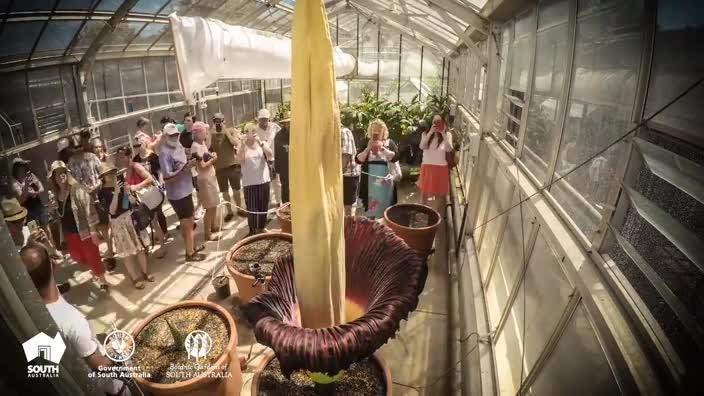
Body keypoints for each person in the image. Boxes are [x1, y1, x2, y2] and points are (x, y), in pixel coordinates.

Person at [20, 242, 130, 395]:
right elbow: (99, 366)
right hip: (101, 385)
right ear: (53, 265)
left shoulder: (27, 309)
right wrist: (116, 352)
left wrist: (79, 279)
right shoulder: (71, 321)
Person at [48, 160, 109, 291]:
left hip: (84, 231)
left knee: (93, 255)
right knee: (78, 257)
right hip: (70, 234)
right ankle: (95, 271)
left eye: (63, 172)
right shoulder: (56, 195)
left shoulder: (77, 189)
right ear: (53, 178)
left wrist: (93, 231)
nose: (61, 176)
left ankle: (103, 281)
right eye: (57, 174)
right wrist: (53, 210)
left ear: (67, 173)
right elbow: (60, 217)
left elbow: (89, 208)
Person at [3, 196, 71, 294]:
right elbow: (15, 268)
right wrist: (29, 246)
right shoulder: (5, 243)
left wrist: (45, 243)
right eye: (16, 221)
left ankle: (50, 287)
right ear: (6, 224)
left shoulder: (27, 230)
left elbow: (49, 254)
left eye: (22, 218)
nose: (21, 223)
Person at [159, 123, 205, 262]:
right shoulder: (164, 153)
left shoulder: (178, 145)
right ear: (165, 136)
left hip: (186, 189)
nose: (174, 137)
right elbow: (167, 177)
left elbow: (182, 160)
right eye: (171, 135)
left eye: (176, 134)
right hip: (177, 194)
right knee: (186, 222)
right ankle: (189, 253)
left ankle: (191, 246)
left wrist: (190, 160)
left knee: (190, 220)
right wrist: (184, 169)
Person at [114, 146, 167, 258]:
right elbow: (127, 190)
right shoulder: (123, 172)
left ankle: (163, 247)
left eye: (122, 156)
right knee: (142, 226)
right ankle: (146, 249)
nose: (120, 159)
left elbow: (150, 179)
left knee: (154, 223)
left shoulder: (135, 166)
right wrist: (124, 205)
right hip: (136, 203)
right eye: (118, 157)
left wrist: (136, 187)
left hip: (146, 200)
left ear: (129, 156)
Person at [107, 164, 154, 289]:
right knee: (128, 253)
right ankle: (134, 278)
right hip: (118, 224)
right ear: (103, 177)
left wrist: (127, 193)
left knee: (140, 249)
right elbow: (112, 211)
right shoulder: (102, 192)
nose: (112, 176)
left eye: (113, 173)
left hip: (130, 219)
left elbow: (128, 204)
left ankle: (145, 273)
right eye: (108, 174)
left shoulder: (122, 186)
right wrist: (116, 194)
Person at [356, 119, 401, 219]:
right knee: (370, 211)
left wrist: (382, 149)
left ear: (383, 132)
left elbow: (396, 157)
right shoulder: (366, 142)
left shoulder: (389, 143)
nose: (375, 133)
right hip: (369, 183)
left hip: (386, 182)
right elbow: (358, 160)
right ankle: (372, 231)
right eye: (373, 131)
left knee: (386, 212)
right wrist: (368, 148)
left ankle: (384, 231)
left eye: (378, 131)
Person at [238, 123, 272, 236]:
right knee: (252, 208)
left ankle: (261, 228)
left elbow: (270, 154)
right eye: (247, 131)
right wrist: (242, 144)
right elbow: (240, 160)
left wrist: (260, 143)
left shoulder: (262, 143)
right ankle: (252, 231)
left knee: (263, 206)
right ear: (244, 133)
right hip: (250, 182)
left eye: (253, 130)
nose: (250, 133)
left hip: (263, 180)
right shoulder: (242, 145)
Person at [133, 134, 169, 239]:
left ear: (144, 144)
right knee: (150, 213)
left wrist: (162, 185)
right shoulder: (135, 159)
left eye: (139, 144)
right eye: (135, 146)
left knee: (159, 211)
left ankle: (164, 232)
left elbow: (160, 171)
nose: (137, 147)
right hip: (144, 189)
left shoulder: (153, 156)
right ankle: (159, 234)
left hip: (154, 186)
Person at [210, 112, 244, 221]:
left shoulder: (230, 130)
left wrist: (226, 131)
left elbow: (235, 143)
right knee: (224, 191)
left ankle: (239, 209)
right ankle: (229, 211)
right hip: (220, 168)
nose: (218, 123)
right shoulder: (211, 134)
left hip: (232, 165)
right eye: (216, 120)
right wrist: (211, 132)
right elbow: (207, 147)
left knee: (236, 190)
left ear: (224, 120)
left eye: (220, 120)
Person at [191, 121, 221, 242]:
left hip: (210, 177)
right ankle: (207, 234)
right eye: (204, 131)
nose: (206, 133)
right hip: (204, 180)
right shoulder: (195, 147)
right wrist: (213, 159)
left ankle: (213, 226)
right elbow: (202, 165)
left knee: (214, 204)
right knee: (209, 207)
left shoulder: (201, 143)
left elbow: (206, 154)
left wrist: (211, 154)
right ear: (198, 133)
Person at [417, 114, 453, 212]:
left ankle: (436, 219)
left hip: (440, 169)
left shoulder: (447, 135)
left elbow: (449, 149)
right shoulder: (425, 134)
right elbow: (422, 146)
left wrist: (443, 134)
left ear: (444, 124)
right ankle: (422, 214)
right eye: (435, 122)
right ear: (431, 123)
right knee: (424, 195)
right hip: (427, 167)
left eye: (439, 122)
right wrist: (430, 133)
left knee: (439, 197)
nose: (437, 125)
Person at [11, 157, 49, 236]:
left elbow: (42, 188)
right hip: (28, 214)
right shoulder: (14, 183)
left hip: (39, 207)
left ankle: (50, 247)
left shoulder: (31, 175)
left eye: (24, 165)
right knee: (35, 233)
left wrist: (36, 193)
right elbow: (21, 199)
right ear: (16, 168)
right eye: (22, 166)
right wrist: (27, 186)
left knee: (47, 230)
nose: (24, 167)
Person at [255, 109, 282, 207]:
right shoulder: (255, 130)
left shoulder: (275, 127)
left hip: (274, 158)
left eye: (265, 119)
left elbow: (281, 137)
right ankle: (268, 203)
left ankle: (279, 202)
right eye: (261, 119)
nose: (263, 121)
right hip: (261, 159)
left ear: (269, 118)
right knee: (265, 181)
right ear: (258, 119)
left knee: (276, 181)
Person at [181, 112, 204, 220]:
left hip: (197, 163)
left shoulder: (196, 133)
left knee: (199, 186)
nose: (186, 122)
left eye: (189, 120)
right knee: (192, 187)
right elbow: (181, 148)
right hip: (188, 164)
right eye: (185, 120)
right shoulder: (183, 134)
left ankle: (200, 207)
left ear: (193, 122)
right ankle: (196, 207)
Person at [67, 130, 103, 195]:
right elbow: (71, 181)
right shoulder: (71, 162)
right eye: (75, 147)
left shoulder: (92, 157)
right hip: (83, 196)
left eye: (79, 146)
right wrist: (84, 190)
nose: (78, 149)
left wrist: (97, 185)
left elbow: (102, 173)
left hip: (98, 192)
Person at [341, 124, 360, 216]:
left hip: (348, 176)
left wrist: (335, 175)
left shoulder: (344, 132)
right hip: (338, 176)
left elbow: (346, 156)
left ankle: (348, 229)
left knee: (347, 208)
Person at [273, 113, 290, 204]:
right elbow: (277, 152)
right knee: (286, 188)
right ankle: (286, 208)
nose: (289, 125)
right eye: (287, 123)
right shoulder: (279, 136)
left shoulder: (299, 133)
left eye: (290, 122)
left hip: (298, 167)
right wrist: (277, 168)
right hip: (285, 167)